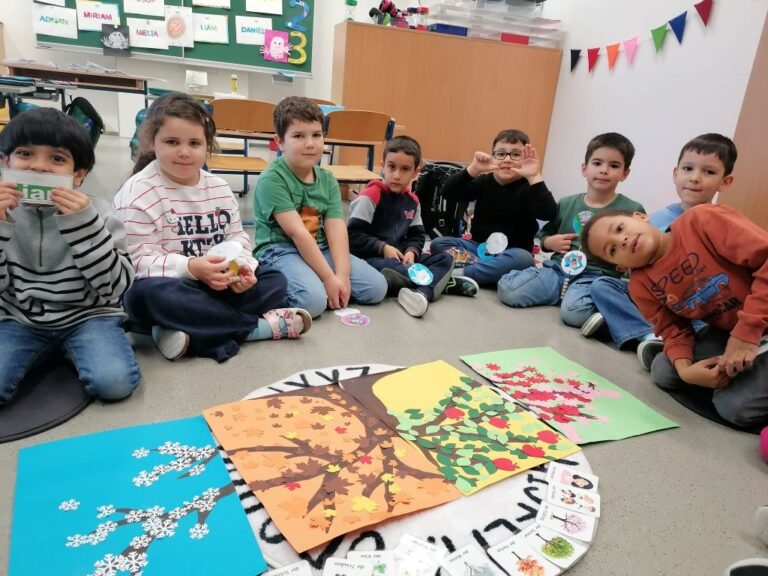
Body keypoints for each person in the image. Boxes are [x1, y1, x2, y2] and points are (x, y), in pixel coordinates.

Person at [115, 93, 308, 363]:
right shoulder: (138, 192)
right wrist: (191, 268)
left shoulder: (218, 187)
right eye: (172, 142)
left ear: (207, 145)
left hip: (216, 285)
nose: (184, 152)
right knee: (147, 296)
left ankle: (179, 328)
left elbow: (237, 238)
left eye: (194, 143)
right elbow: (136, 262)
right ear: (151, 142)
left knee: (274, 280)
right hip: (172, 285)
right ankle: (255, 329)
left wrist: (241, 270)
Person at [581, 204, 768, 429]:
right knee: (664, 371)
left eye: (620, 228)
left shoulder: (701, 220)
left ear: (640, 217)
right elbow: (672, 330)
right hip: (730, 330)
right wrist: (686, 371)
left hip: (753, 321)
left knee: (733, 407)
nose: (622, 240)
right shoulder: (640, 285)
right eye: (612, 250)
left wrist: (746, 333)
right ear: (620, 266)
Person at [0, 107, 140, 402]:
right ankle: (45, 352)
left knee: (115, 383)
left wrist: (83, 224)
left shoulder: (99, 211)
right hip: (19, 319)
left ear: (78, 174)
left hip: (89, 317)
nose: (39, 167)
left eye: (57, 158)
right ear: (5, 161)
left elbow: (114, 288)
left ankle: (68, 350)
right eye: (25, 153)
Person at [582, 134, 737, 371]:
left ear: (724, 182)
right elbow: (637, 273)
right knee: (602, 285)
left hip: (697, 306)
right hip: (657, 296)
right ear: (676, 173)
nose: (694, 178)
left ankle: (624, 327)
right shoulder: (657, 218)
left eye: (708, 172)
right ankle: (644, 333)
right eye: (688, 169)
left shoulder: (719, 221)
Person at [252, 96, 387, 318]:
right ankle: (275, 285)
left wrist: (341, 276)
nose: (310, 144)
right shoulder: (272, 179)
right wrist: (327, 278)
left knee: (376, 288)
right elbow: (298, 233)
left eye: (316, 135)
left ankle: (316, 281)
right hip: (280, 250)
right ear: (280, 141)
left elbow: (336, 229)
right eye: (298, 136)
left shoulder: (327, 179)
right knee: (313, 303)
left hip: (319, 246)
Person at [497, 132, 644, 328]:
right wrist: (549, 242)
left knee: (574, 315)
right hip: (558, 270)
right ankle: (564, 295)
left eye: (614, 166)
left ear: (625, 173)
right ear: (584, 169)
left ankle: (588, 305)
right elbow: (545, 234)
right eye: (597, 163)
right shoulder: (566, 203)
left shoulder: (632, 210)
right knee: (509, 290)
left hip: (596, 277)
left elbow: (639, 252)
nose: (604, 170)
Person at [428, 129, 557, 289]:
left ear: (525, 159)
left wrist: (534, 176)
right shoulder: (484, 181)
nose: (507, 159)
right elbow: (448, 193)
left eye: (516, 155)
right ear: (493, 157)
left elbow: (549, 213)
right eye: (501, 154)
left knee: (524, 259)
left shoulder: (529, 186)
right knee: (439, 243)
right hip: (478, 249)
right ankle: (486, 271)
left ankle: (460, 273)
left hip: (512, 252)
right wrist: (473, 169)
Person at [347, 136, 457, 317]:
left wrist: (412, 251)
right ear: (383, 166)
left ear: (415, 172)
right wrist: (383, 248)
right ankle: (438, 283)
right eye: (391, 167)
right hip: (371, 259)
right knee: (392, 269)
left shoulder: (413, 201)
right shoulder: (370, 196)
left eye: (405, 169)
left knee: (445, 259)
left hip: (402, 259)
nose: (396, 175)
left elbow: (417, 236)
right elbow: (352, 237)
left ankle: (422, 293)